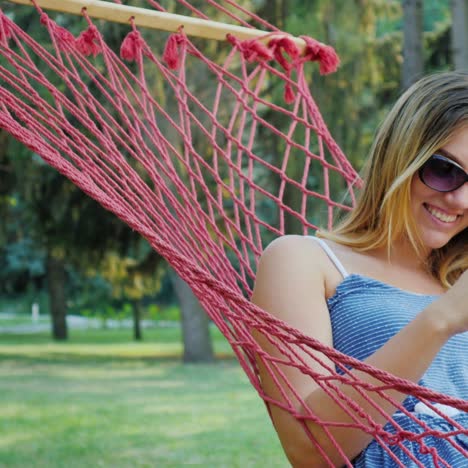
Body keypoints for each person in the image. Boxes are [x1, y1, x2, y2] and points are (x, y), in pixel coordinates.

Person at [251, 71, 468, 467]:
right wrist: (441, 319)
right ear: (402, 156)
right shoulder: (304, 260)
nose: (459, 200)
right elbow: (311, 452)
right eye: (445, 170)